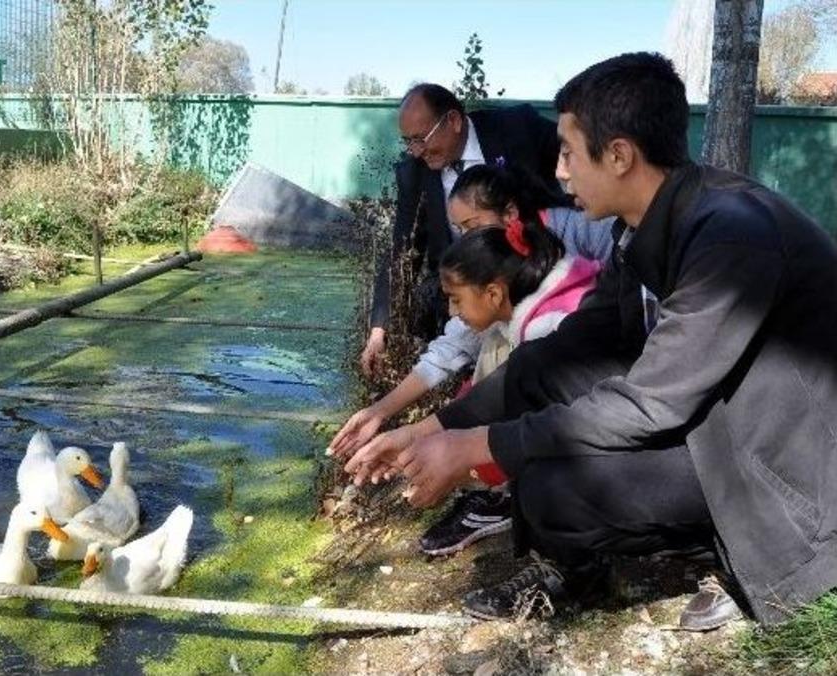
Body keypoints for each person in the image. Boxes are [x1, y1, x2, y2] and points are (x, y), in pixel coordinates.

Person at [344, 52, 837, 631]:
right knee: (538, 378)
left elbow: (651, 403)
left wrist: (480, 447)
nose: (558, 172)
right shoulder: (644, 229)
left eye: (568, 152)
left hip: (778, 463)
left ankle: (733, 545)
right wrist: (436, 428)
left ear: (620, 155)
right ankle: (582, 561)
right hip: (717, 422)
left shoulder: (730, 236)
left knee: (550, 484)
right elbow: (572, 346)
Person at [331, 163, 613, 556]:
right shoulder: (511, 283)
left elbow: (531, 416)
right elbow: (454, 352)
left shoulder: (547, 325)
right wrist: (384, 415)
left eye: (471, 226)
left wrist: (456, 460)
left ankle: (505, 493)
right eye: (460, 230)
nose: (465, 238)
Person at [361, 83, 564, 377]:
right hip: (473, 296)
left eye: (420, 138)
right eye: (408, 142)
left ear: (453, 121)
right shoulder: (414, 172)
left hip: (540, 278)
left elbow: (579, 158)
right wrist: (379, 329)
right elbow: (402, 247)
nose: (416, 152)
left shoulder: (517, 128)